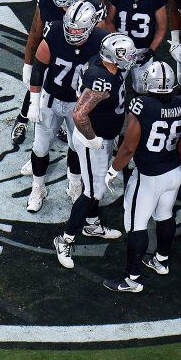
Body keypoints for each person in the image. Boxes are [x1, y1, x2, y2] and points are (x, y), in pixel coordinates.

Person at [52, 33, 139, 269]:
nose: (130, 58)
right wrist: (93, 140)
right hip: (94, 140)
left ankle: (91, 223)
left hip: (102, 135)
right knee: (93, 192)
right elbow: (79, 114)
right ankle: (64, 239)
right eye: (127, 54)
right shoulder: (101, 78)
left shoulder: (101, 64)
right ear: (114, 56)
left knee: (94, 189)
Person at [102, 62, 181, 291]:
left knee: (136, 225)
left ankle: (131, 279)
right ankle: (161, 261)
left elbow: (129, 147)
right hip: (173, 171)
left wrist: (113, 169)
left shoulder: (142, 104)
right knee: (165, 215)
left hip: (149, 176)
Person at [13, 0, 108, 145]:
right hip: (58, 30)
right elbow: (37, 28)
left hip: (81, 23)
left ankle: (61, 123)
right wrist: (29, 62)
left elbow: (99, 2)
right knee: (42, 77)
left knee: (69, 83)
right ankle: (23, 117)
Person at [25, 0, 106, 211]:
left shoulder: (101, 41)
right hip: (50, 99)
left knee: (76, 147)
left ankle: (75, 183)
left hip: (78, 105)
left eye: (79, 30)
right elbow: (39, 67)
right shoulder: (54, 32)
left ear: (91, 26)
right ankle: (38, 187)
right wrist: (33, 101)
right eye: (70, 27)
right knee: (40, 147)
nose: (73, 33)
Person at [105, 0, 168, 65]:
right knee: (115, 79)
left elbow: (162, 26)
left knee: (142, 81)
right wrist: (118, 43)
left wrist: (151, 50)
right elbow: (108, 21)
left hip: (144, 49)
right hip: (120, 48)